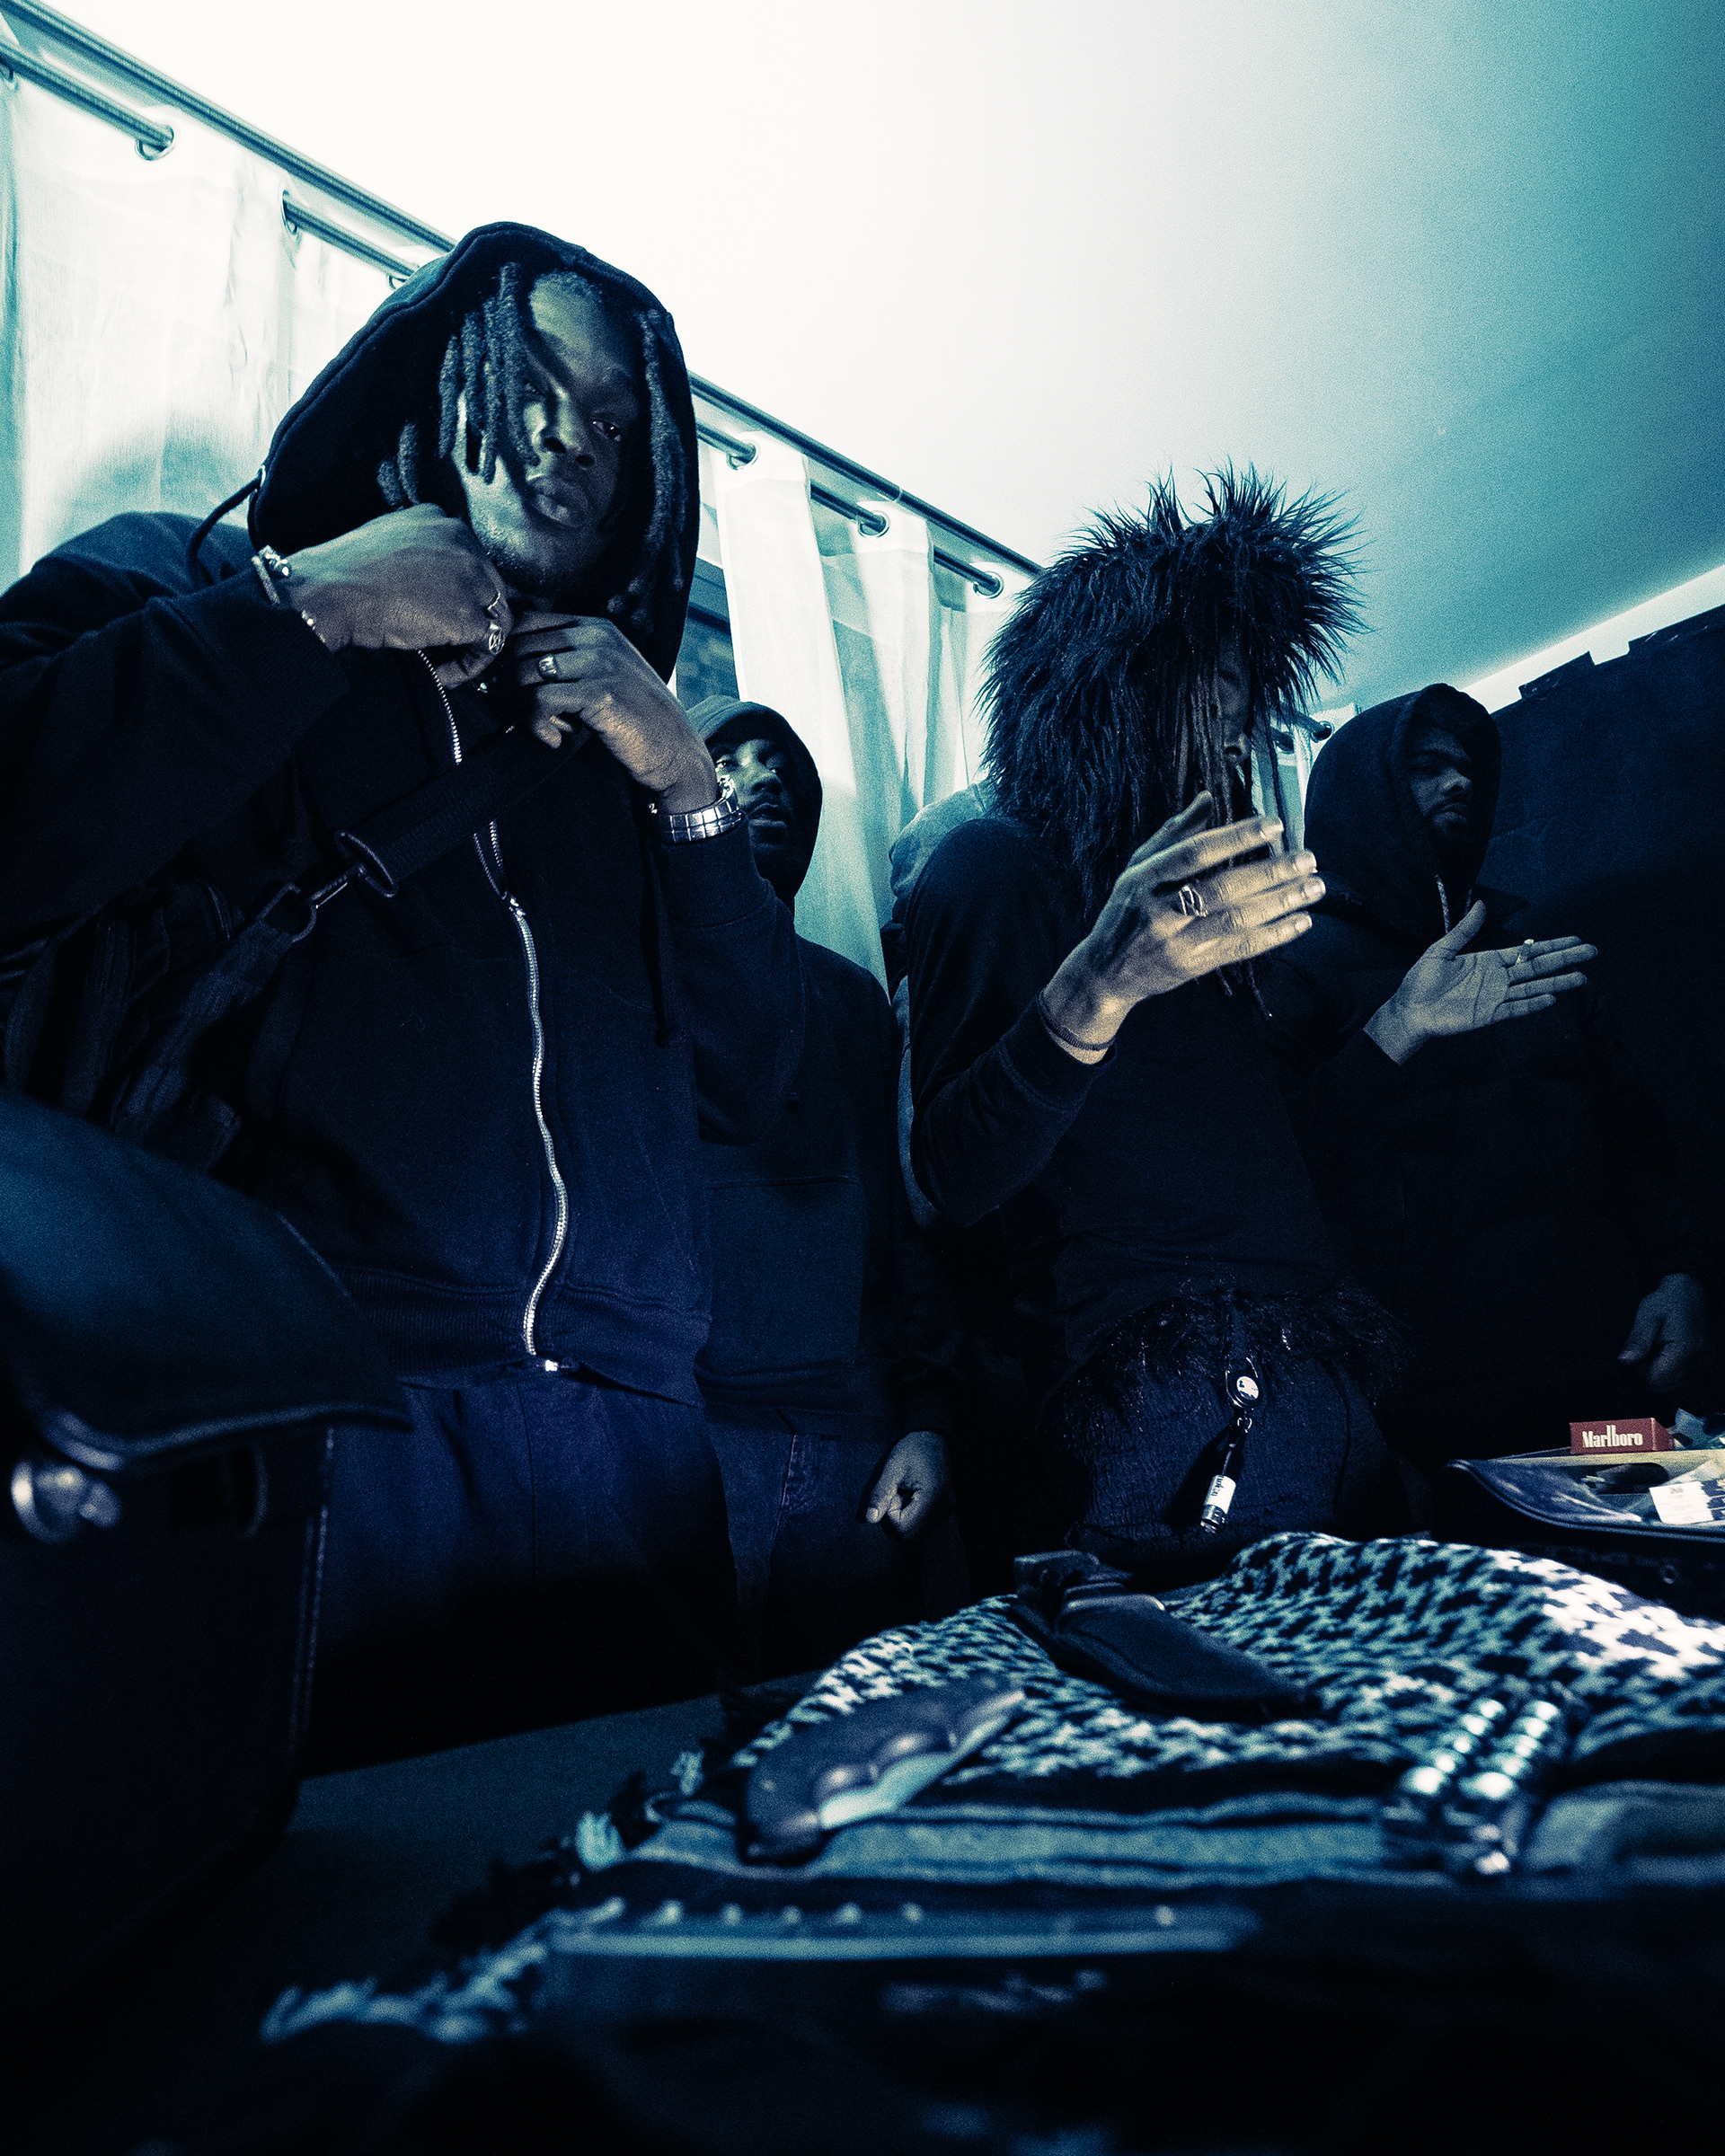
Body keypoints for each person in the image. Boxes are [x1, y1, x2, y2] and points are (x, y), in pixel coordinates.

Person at [0, 225, 803, 1758]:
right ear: (429, 378)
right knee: (326, 1881)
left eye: (616, 417)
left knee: (650, 1875)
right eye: (532, 377)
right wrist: (296, 613)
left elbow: (758, 1080)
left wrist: (689, 788)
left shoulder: (622, 756)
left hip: (634, 1453)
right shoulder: (193, 575)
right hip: (335, 1414)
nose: (574, 437)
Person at [905, 471, 1404, 1584]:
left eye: (1245, 692)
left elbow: (1269, 1162)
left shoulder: (1222, 919)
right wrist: (1099, 986)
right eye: (1208, 683)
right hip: (1155, 1408)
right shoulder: (991, 868)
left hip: (1322, 1387)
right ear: (1113, 692)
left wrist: (1398, 1029)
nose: (1237, 719)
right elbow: (950, 1176)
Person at [1261, 683, 1713, 1477]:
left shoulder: (1534, 958)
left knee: (1641, 1531)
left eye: (1466, 767)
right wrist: (1390, 1034)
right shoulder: (1291, 968)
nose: (1458, 781)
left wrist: (1680, 1273)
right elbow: (1269, 1177)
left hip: (1604, 1385)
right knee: (1475, 1558)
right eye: (1425, 766)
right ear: (1363, 791)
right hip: (1424, 1418)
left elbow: (1636, 1144)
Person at [688, 697, 963, 1673]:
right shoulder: (641, 982)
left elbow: (904, 1226)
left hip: (857, 1444)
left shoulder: (852, 998)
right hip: (694, 1439)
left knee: (854, 1726)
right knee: (685, 1727)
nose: (763, 779)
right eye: (729, 761)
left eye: (780, 765)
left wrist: (928, 1418)